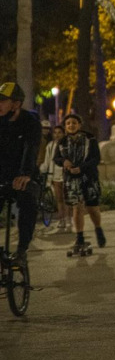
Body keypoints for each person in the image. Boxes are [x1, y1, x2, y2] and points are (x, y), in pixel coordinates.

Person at [0, 82, 44, 268]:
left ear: (16, 104)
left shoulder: (30, 122)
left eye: (3, 101)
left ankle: (21, 250)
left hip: (23, 175)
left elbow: (31, 148)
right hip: (2, 175)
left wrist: (25, 173)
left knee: (28, 200)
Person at [55, 114, 106, 252]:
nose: (71, 125)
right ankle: (80, 237)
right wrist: (63, 162)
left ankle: (98, 229)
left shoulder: (90, 139)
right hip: (71, 179)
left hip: (88, 177)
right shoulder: (62, 142)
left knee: (92, 208)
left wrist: (81, 168)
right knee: (77, 207)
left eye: (74, 123)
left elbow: (96, 158)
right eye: (68, 123)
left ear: (79, 125)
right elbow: (56, 158)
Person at [40, 125, 68, 231]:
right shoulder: (50, 145)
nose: (57, 135)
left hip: (66, 174)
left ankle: (68, 220)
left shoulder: (67, 144)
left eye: (59, 132)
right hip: (55, 175)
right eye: (55, 133)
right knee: (59, 199)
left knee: (67, 199)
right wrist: (42, 170)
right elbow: (47, 161)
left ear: (64, 134)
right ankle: (61, 220)